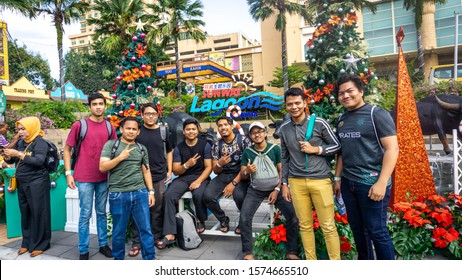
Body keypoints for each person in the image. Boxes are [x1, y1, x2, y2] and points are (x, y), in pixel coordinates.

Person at [333, 74, 399, 260]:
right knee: (357, 230)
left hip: (371, 183)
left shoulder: (376, 114)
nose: (345, 96)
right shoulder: (342, 119)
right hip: (348, 183)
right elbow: (342, 152)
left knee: (377, 231)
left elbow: (392, 149)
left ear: (361, 91)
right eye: (341, 93)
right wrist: (338, 179)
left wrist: (381, 182)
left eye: (350, 91)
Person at [279, 87, 341, 260]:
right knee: (304, 226)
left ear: (304, 103)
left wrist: (316, 149)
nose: (294, 107)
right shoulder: (284, 129)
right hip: (296, 182)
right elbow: (284, 158)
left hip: (320, 180)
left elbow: (337, 146)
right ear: (286, 106)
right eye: (290, 104)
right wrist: (284, 183)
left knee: (328, 226)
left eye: (297, 103)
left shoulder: (319, 123)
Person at [63, 93, 117, 260]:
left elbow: (115, 150)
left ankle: (102, 245)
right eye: (95, 104)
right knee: (85, 213)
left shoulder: (110, 127)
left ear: (105, 106)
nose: (98, 107)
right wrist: (68, 174)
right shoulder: (80, 125)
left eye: (101, 103)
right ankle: (83, 249)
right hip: (84, 176)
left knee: (101, 212)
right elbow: (67, 149)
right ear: (90, 106)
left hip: (103, 177)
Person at [239, 121, 300, 260]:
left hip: (276, 189)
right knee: (244, 218)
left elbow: (282, 171)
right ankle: (248, 252)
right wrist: (247, 171)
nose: (257, 135)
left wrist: (278, 189)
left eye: (260, 131)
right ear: (250, 136)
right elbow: (242, 174)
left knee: (292, 216)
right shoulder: (248, 152)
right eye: (254, 133)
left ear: (265, 133)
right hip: (255, 190)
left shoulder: (275, 149)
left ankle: (292, 251)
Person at [100, 116, 156, 260]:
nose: (131, 131)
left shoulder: (141, 148)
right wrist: (120, 157)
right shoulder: (111, 145)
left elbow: (146, 171)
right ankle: (118, 260)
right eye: (128, 128)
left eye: (134, 129)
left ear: (138, 132)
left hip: (140, 192)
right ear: (121, 129)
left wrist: (151, 191)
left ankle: (150, 259)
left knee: (146, 229)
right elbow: (102, 167)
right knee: (119, 231)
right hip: (118, 194)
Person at [157, 118, 212, 248]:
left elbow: (209, 167)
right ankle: (170, 233)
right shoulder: (178, 148)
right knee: (169, 195)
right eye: (188, 129)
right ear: (183, 131)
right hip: (184, 177)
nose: (191, 131)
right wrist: (187, 164)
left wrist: (198, 181)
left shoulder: (205, 145)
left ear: (197, 130)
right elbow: (176, 171)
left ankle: (200, 220)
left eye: (193, 129)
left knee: (198, 194)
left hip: (201, 176)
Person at [128, 103, 173, 256]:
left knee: (157, 209)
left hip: (159, 176)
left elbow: (170, 151)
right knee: (137, 209)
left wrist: (170, 170)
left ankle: (154, 237)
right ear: (142, 115)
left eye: (153, 113)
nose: (150, 116)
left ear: (157, 115)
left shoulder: (163, 131)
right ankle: (136, 242)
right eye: (147, 114)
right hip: (138, 177)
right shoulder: (137, 132)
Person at [3, 117, 51, 257]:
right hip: (22, 183)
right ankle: (27, 242)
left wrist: (18, 154)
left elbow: (39, 161)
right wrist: (8, 155)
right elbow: (13, 159)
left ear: (32, 127)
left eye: (23, 129)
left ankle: (42, 244)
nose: (21, 132)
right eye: (19, 129)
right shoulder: (20, 143)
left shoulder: (40, 143)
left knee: (39, 213)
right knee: (26, 213)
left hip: (38, 182)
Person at [203, 116, 251, 233]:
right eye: (220, 125)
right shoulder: (216, 145)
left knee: (239, 196)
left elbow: (247, 167)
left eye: (225, 124)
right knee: (208, 197)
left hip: (241, 175)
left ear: (232, 126)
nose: (223, 127)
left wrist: (233, 183)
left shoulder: (244, 141)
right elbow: (215, 170)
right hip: (224, 175)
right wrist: (220, 164)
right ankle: (223, 219)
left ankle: (243, 222)